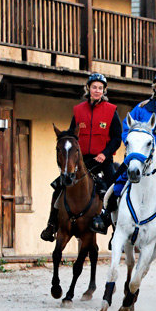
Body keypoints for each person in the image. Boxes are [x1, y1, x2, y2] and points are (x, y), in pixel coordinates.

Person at [91, 70, 156, 249]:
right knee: (115, 184)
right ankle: (107, 217)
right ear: (155, 87)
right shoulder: (141, 108)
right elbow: (126, 129)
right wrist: (135, 146)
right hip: (138, 158)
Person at [40, 73, 122, 242]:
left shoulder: (111, 110)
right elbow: (71, 136)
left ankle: (116, 230)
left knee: (114, 191)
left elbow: (117, 138)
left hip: (103, 160)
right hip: (82, 162)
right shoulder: (78, 110)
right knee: (58, 187)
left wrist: (104, 154)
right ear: (88, 89)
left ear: (104, 91)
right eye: (94, 87)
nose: (97, 91)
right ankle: (51, 225)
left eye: (100, 88)